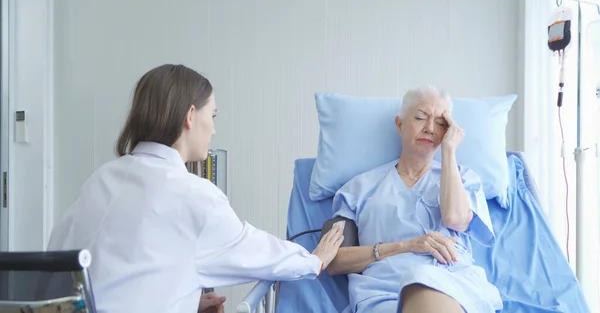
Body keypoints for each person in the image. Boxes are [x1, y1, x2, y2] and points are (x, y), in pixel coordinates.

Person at [47, 64, 344, 313]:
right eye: (212, 116)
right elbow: (256, 252)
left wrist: (183, 300)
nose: (214, 129)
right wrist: (314, 260)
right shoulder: (193, 196)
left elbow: (93, 275)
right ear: (190, 116)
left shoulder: (100, 179)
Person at [326, 85, 503, 313]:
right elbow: (335, 261)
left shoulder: (464, 179)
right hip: (384, 291)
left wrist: (449, 150)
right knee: (417, 277)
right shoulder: (358, 189)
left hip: (452, 286)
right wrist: (407, 245)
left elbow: (455, 218)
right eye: (420, 118)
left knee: (422, 276)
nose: (430, 128)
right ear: (399, 125)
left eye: (441, 123)